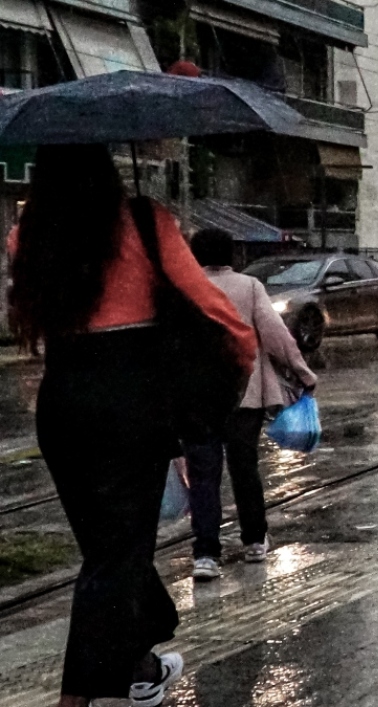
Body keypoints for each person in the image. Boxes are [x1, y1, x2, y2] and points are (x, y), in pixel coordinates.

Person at [7, 145, 254, 707]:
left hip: (63, 401)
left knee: (108, 547)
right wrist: (240, 354)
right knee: (113, 558)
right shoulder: (146, 221)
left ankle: (140, 666)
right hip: (130, 403)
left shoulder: (28, 235)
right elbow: (212, 307)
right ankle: (76, 698)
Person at [185, 229, 317, 580]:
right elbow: (276, 336)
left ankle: (206, 554)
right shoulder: (249, 287)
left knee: (203, 475)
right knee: (244, 469)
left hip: (196, 399)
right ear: (232, 255)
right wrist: (303, 373)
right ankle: (255, 540)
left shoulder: (184, 288)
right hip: (244, 395)